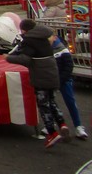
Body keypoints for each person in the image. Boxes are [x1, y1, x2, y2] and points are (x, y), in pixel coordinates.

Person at [7, 19, 69, 148]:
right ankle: (62, 124)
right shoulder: (45, 36)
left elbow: (25, 59)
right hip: (52, 71)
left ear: (24, 30)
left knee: (43, 104)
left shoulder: (29, 40)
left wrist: (8, 58)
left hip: (40, 75)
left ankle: (52, 132)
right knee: (52, 101)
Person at [49, 29, 88, 139]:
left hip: (64, 80)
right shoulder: (46, 49)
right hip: (52, 79)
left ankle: (78, 126)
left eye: (49, 37)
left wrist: (60, 80)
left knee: (70, 102)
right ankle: (51, 124)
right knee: (51, 103)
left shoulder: (63, 50)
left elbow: (68, 67)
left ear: (55, 37)